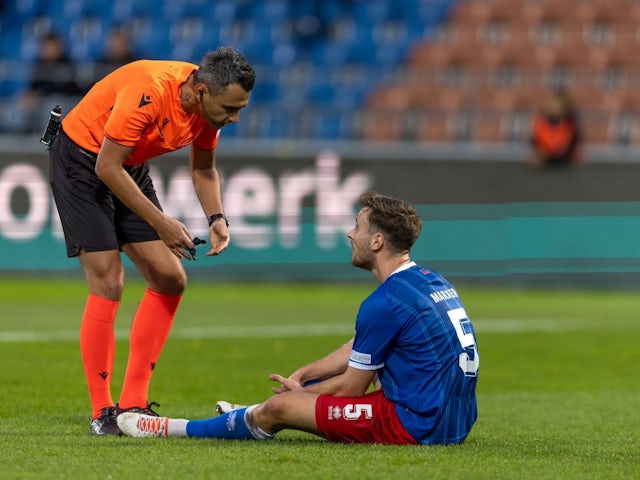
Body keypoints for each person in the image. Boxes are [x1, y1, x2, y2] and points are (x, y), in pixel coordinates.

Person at [117, 192, 480, 445]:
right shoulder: (429, 280)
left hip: (416, 425)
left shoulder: (383, 301)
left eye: (358, 227)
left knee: (280, 408)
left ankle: (168, 427)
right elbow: (362, 346)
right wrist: (307, 373)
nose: (350, 234)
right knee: (351, 386)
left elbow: (350, 389)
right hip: (455, 421)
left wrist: (301, 395)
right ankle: (251, 412)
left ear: (377, 242)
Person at [47, 46, 255, 435]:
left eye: (240, 108)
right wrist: (161, 223)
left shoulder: (207, 109)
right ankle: (102, 412)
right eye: (230, 109)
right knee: (109, 281)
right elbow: (104, 166)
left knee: (170, 278)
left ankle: (135, 404)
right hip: (81, 161)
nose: (235, 118)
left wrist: (217, 217)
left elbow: (204, 168)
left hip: (124, 163)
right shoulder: (149, 91)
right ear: (201, 91)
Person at [6, 31, 83, 133]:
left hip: (66, 102)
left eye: (51, 47)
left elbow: (65, 89)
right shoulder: (39, 64)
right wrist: (29, 96)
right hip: (41, 101)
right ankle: (15, 141)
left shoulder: (67, 64)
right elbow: (34, 87)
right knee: (17, 106)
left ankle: (47, 143)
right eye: (45, 47)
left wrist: (40, 95)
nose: (47, 50)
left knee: (52, 107)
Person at [528, 88, 582, 168]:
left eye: (558, 104)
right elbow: (535, 143)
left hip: (564, 165)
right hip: (544, 165)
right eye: (552, 103)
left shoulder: (571, 125)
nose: (554, 107)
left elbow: (569, 148)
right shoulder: (541, 124)